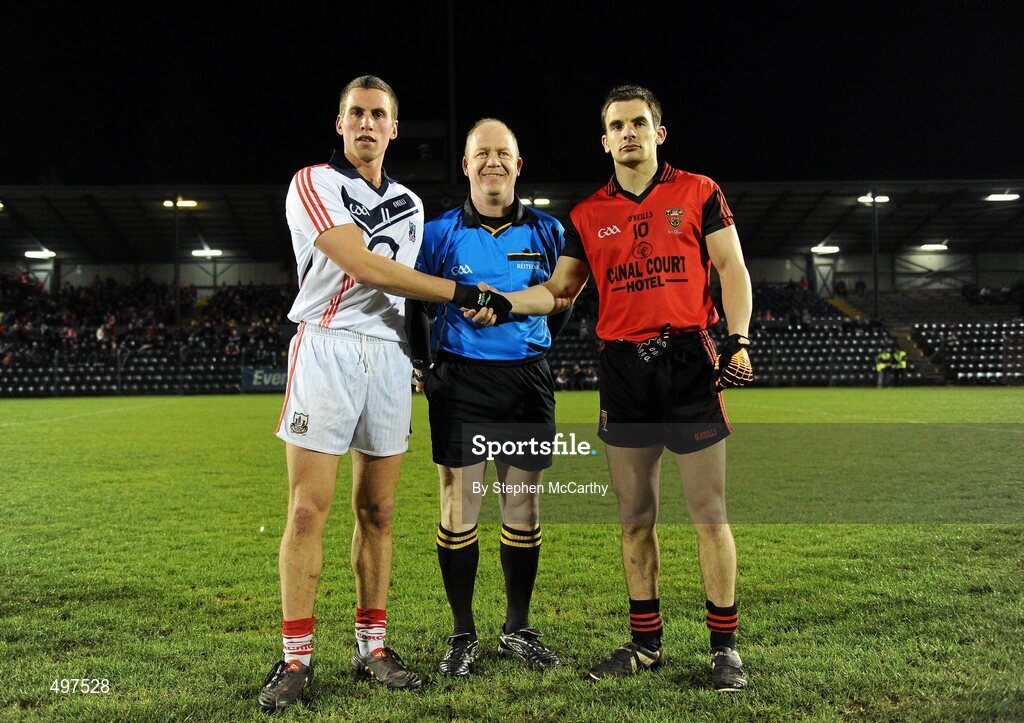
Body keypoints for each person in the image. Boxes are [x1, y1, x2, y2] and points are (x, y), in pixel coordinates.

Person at [259, 76, 511, 713]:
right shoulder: (312, 183)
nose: (367, 124)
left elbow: (404, 297)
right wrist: (462, 295)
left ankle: (372, 645)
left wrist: (427, 356)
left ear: (394, 128)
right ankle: (296, 659)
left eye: (378, 115)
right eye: (356, 114)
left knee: (378, 513)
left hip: (389, 359)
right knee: (307, 511)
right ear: (340, 124)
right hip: (327, 345)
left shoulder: (410, 201)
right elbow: (363, 265)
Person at [501, 84, 753, 691]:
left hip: (689, 361)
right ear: (605, 139)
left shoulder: (699, 191)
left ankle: (724, 649)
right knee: (634, 517)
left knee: (709, 515)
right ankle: (646, 644)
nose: (628, 133)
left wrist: (739, 339)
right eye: (617, 125)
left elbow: (732, 268)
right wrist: (502, 302)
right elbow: (560, 293)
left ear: (658, 132)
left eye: (639, 123)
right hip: (623, 371)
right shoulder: (586, 216)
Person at [408, 119, 569, 677]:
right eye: (482, 153)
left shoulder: (549, 231)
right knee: (459, 506)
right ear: (466, 164)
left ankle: (517, 628)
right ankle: (463, 633)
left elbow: (562, 300)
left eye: (504, 153)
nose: (493, 162)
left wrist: (531, 335)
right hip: (461, 382)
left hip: (526, 380)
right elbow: (414, 301)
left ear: (519, 165)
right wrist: (424, 366)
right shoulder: (437, 233)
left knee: (522, 505)